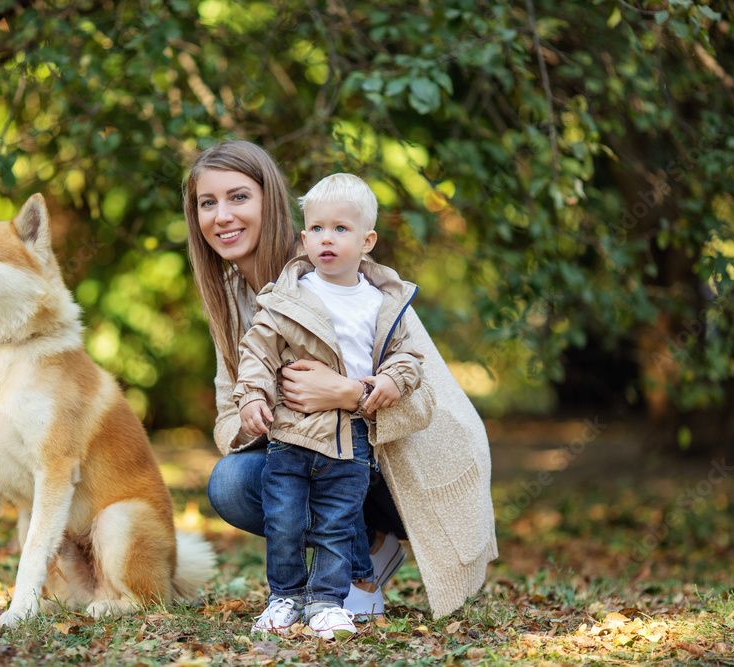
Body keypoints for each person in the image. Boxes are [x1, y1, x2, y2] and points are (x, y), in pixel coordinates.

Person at [183, 140, 498, 624]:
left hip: (411, 468)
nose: (222, 215)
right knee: (232, 482)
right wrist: (266, 413)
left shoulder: (338, 264)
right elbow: (229, 415)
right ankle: (363, 551)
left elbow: (423, 401)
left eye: (239, 197)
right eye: (208, 203)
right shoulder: (228, 296)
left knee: (315, 455)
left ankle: (360, 570)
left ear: (271, 201)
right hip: (320, 452)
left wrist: (345, 393)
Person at [233, 173, 425, 638]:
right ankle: (284, 597)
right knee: (285, 523)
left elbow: (408, 356)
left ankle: (326, 602)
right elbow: (257, 352)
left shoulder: (382, 302)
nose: (327, 239)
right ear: (304, 237)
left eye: (341, 229)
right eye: (317, 229)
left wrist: (391, 382)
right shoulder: (289, 297)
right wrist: (252, 397)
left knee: (338, 523)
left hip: (351, 439)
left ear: (367, 241)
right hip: (291, 434)